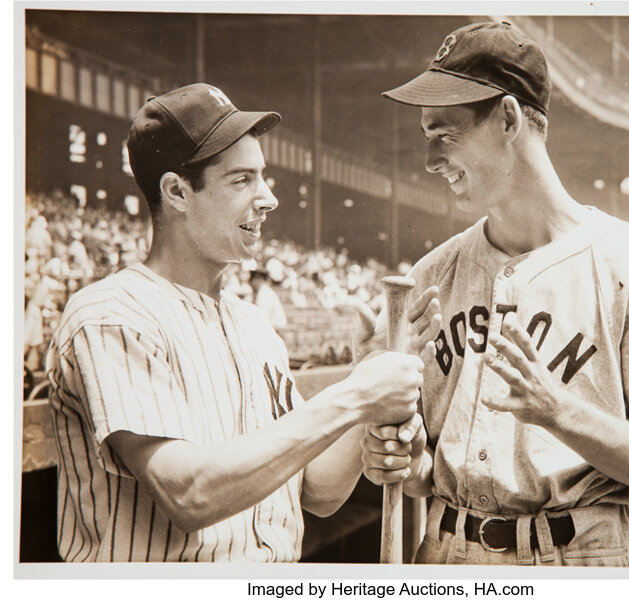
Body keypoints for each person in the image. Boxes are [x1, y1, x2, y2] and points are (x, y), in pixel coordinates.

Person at [359, 21, 629, 566]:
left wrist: (559, 411)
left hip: (581, 559)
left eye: (446, 134)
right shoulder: (430, 277)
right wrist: (404, 457)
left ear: (509, 118)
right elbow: (420, 476)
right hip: (445, 556)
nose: (430, 161)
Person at [46, 83, 431, 562]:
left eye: (263, 177)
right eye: (242, 180)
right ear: (177, 192)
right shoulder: (111, 315)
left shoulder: (253, 326)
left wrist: (366, 393)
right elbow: (189, 494)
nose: (268, 198)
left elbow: (318, 491)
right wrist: (354, 395)